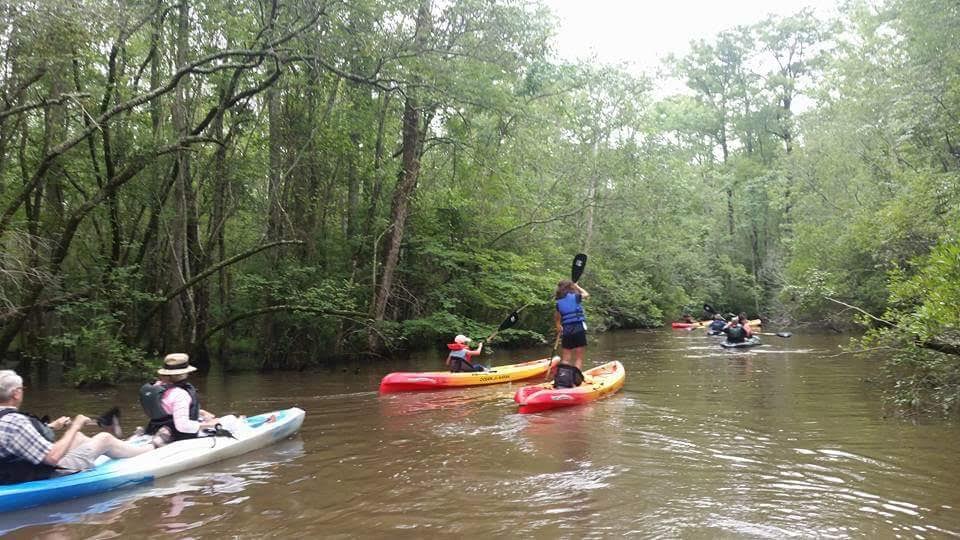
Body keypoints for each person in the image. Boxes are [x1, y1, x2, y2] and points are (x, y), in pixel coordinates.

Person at [0, 370, 158, 485]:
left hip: (13, 470)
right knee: (105, 438)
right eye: (22, 389)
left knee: (79, 438)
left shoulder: (7, 420)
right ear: (15, 394)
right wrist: (75, 426)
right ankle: (151, 448)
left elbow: (16, 441)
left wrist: (51, 427)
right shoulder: (16, 422)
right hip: (42, 473)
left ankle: (120, 447)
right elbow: (52, 458)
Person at [139, 353, 220, 444]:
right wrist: (209, 424)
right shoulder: (180, 394)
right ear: (184, 373)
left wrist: (201, 412)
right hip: (177, 435)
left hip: (153, 429)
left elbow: (169, 409)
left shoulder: (157, 387)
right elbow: (182, 426)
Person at [555, 279, 589, 372]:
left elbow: (557, 317)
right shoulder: (575, 297)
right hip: (578, 328)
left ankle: (563, 378)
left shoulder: (558, 302)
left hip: (567, 330)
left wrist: (558, 325)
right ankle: (576, 379)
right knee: (578, 358)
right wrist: (577, 286)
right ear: (570, 287)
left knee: (566, 358)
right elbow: (586, 294)